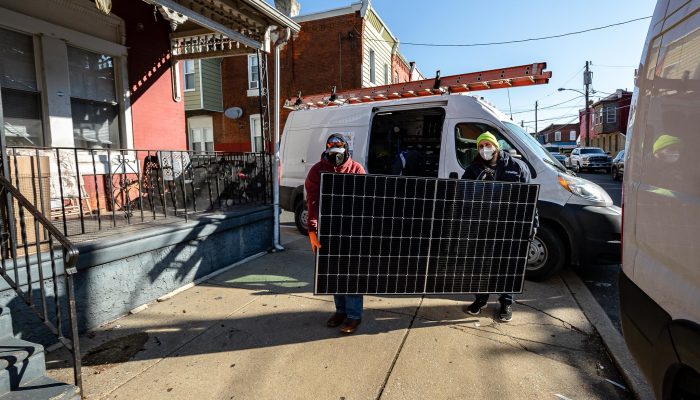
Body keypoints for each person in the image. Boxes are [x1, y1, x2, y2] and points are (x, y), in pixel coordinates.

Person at [461, 131, 537, 322]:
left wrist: (533, 223)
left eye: (488, 145)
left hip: (510, 225)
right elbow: (461, 195)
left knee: (508, 265)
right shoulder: (473, 169)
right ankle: (481, 299)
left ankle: (506, 303)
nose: (484, 149)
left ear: (496, 146)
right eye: (480, 146)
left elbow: (530, 199)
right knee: (481, 264)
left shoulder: (517, 167)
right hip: (483, 225)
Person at [305, 133, 366, 334]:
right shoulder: (317, 170)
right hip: (328, 228)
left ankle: (354, 316)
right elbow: (312, 201)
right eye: (331, 151)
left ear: (346, 150)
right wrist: (312, 230)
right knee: (334, 273)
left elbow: (365, 202)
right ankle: (340, 311)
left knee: (351, 273)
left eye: (338, 151)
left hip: (351, 230)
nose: (335, 155)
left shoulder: (356, 169)